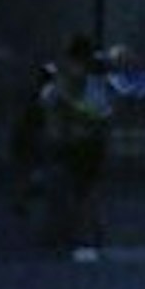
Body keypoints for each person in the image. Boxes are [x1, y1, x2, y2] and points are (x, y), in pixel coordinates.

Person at [47, 32, 117, 260]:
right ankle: (80, 237)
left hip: (85, 144)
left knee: (83, 193)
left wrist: (71, 110)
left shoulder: (88, 84)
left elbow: (99, 115)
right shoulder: (67, 82)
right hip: (76, 143)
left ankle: (85, 238)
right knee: (79, 192)